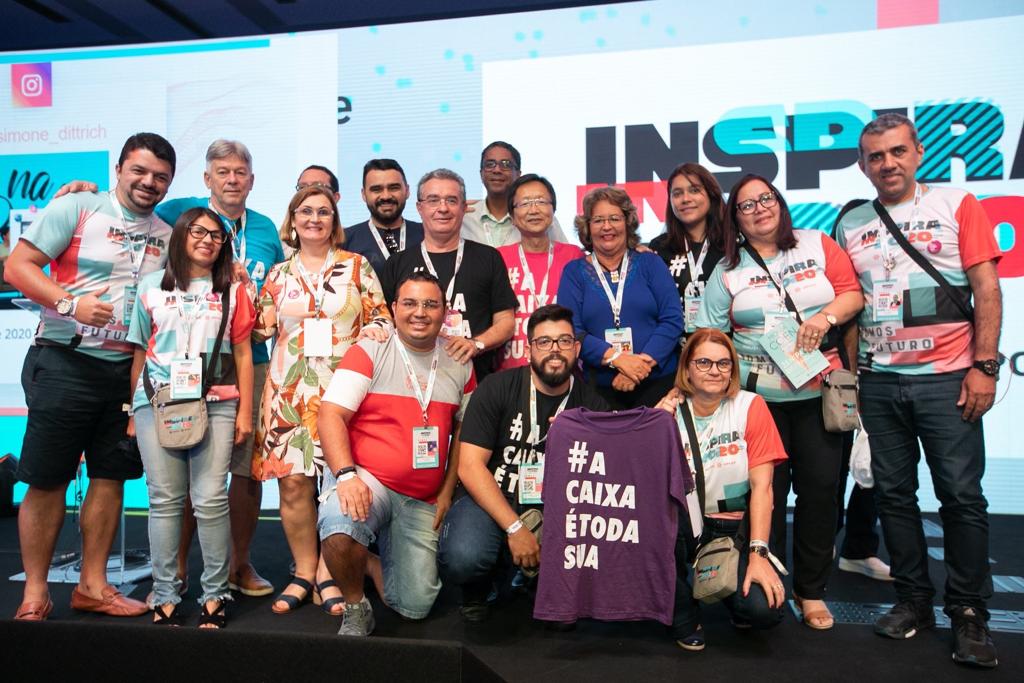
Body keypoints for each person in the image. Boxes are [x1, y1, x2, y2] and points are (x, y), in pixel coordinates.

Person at [55, 139, 284, 596]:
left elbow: (276, 288)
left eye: (240, 172)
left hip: (247, 364)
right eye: (222, 172)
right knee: (179, 481)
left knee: (242, 473)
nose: (232, 180)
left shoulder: (266, 228)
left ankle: (239, 565)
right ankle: (176, 568)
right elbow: (132, 206)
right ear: (207, 178)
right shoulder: (178, 212)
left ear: (252, 180)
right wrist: (88, 192)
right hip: (175, 371)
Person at [835, 113, 1003, 668]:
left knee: (961, 496)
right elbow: (851, 304)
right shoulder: (851, 221)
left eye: (897, 152)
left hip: (949, 378)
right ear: (863, 165)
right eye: (876, 156)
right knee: (894, 497)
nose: (887, 163)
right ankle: (913, 600)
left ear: (918, 152)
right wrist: (853, 378)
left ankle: (970, 611)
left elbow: (986, 288)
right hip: (880, 383)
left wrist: (985, 366)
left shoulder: (957, 205)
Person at [7, 133, 176, 621]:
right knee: (47, 479)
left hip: (128, 372)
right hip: (66, 359)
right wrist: (69, 303)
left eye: (160, 176)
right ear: (118, 169)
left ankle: (93, 586)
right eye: (139, 171)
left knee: (111, 476)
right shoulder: (78, 207)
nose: (148, 182)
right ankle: (34, 592)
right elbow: (17, 267)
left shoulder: (167, 234)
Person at [695, 174, 863, 630]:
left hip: (818, 395)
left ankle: (812, 592)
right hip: (757, 403)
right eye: (746, 205)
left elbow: (852, 294)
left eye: (765, 198)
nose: (759, 209)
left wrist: (824, 317)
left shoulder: (817, 244)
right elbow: (708, 333)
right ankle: (770, 583)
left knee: (821, 490)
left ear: (780, 202)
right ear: (735, 219)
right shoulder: (727, 269)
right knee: (765, 493)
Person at [251, 185, 391, 615]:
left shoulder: (357, 266)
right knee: (293, 485)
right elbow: (259, 330)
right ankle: (304, 572)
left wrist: (376, 329)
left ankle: (330, 574)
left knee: (336, 484)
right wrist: (246, 299)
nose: (314, 218)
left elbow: (384, 317)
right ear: (293, 220)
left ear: (334, 220)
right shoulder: (277, 274)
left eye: (323, 212)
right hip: (288, 393)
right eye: (306, 211)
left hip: (343, 394)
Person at [317, 272, 476, 636]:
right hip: (366, 478)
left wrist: (447, 491)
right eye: (410, 303)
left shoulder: (459, 361)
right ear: (393, 308)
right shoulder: (370, 350)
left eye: (430, 304)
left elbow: (464, 434)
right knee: (341, 524)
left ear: (444, 311)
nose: (419, 312)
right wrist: (346, 476)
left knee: (414, 606)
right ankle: (355, 606)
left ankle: (370, 561)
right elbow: (330, 415)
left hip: (421, 496)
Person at [127, 207, 255, 628]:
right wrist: (132, 409)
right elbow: (141, 350)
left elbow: (243, 354)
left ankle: (215, 595)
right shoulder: (150, 286)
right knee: (164, 500)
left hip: (217, 401)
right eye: (198, 231)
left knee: (210, 498)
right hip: (156, 402)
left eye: (216, 235)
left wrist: (245, 413)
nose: (207, 240)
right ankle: (165, 594)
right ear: (181, 235)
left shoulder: (233, 290)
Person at [438, 304, 608, 622]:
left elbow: (601, 483)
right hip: (492, 497)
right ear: (528, 349)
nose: (555, 350)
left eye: (564, 341)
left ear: (576, 349)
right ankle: (480, 587)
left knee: (564, 617)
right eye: (544, 342)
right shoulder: (496, 387)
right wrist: (515, 528)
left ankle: (534, 579)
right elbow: (470, 466)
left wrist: (576, 437)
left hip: (556, 508)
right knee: (465, 556)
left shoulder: (592, 405)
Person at [656, 328, 788, 651]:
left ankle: (732, 596)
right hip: (683, 528)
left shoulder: (750, 406)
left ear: (732, 369)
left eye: (723, 363)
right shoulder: (667, 413)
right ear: (687, 368)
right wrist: (653, 426)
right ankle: (684, 614)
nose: (714, 371)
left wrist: (758, 555)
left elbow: (763, 488)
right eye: (703, 362)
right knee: (656, 529)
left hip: (733, 529)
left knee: (763, 610)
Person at [380, 169, 517, 381]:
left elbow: (506, 322)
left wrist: (476, 344)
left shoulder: (488, 257)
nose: (443, 208)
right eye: (433, 200)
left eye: (451, 200)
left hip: (477, 379)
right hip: (411, 380)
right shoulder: (397, 263)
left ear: (464, 208)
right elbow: (386, 320)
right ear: (419, 208)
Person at [558, 186, 683, 409]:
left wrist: (639, 367)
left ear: (627, 222)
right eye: (598, 220)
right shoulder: (574, 272)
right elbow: (571, 330)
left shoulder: (651, 263)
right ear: (587, 227)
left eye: (614, 218)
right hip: (600, 388)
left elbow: (672, 319)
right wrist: (618, 359)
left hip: (659, 382)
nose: (607, 226)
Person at [495, 174, 583, 370]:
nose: (534, 210)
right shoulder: (497, 258)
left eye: (541, 201)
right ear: (512, 217)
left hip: (563, 368)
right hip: (511, 370)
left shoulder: (573, 255)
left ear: (553, 210)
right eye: (525, 203)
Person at [649, 163, 726, 340]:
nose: (685, 199)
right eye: (677, 193)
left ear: (711, 194)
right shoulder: (658, 248)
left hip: (723, 349)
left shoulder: (732, 244)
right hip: (672, 349)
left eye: (694, 190)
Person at [461, 141, 569, 247]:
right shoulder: (464, 215)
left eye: (506, 164)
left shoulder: (539, 216)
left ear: (518, 174)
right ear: (481, 174)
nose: (497, 170)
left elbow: (565, 254)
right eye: (490, 164)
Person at [343, 159, 424, 276]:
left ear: (407, 191)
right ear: (364, 194)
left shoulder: (427, 235)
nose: (386, 196)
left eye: (394, 188)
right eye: (376, 189)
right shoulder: (345, 241)